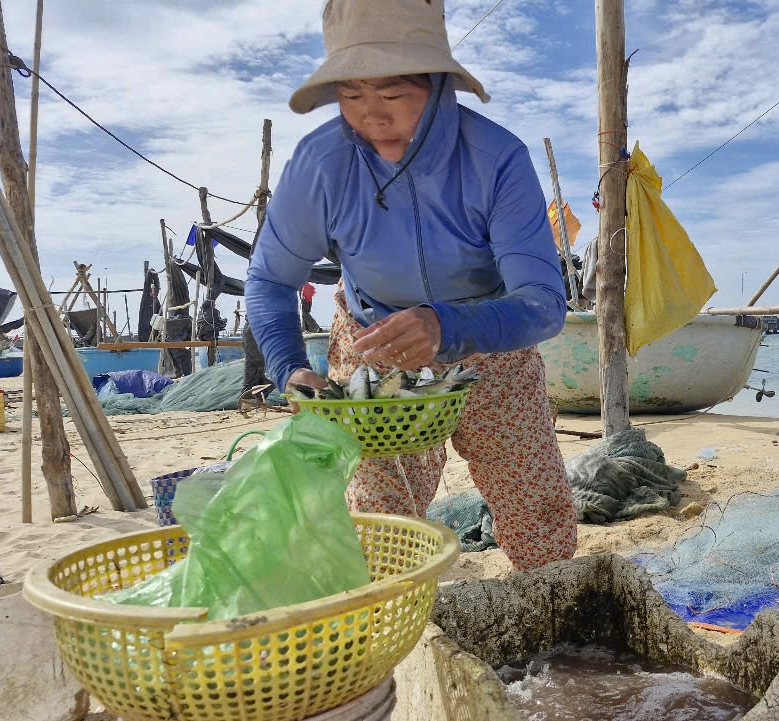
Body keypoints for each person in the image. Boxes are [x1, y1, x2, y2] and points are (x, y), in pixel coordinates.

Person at [246, 0, 578, 571]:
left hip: (491, 341)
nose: (371, 115)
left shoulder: (498, 159)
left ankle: (557, 629)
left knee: (535, 508)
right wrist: (290, 369)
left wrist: (448, 324)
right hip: (376, 345)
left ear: (437, 84)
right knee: (377, 523)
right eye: (351, 95)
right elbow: (271, 280)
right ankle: (385, 643)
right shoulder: (319, 165)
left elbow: (544, 305)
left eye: (392, 94)